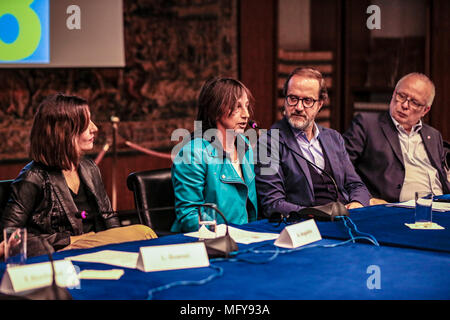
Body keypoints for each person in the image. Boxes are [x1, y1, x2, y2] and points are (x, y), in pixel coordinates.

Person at [1, 93, 157, 257]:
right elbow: (9, 236)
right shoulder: (33, 177)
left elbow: (109, 217)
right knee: (143, 231)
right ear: (64, 131)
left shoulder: (89, 167)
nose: (94, 128)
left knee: (142, 233)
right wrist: (71, 241)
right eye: (85, 122)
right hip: (61, 253)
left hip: (97, 247)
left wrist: (122, 250)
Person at [255, 67, 371, 218]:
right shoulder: (267, 143)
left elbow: (356, 185)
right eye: (292, 98)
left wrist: (357, 204)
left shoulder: (334, 138)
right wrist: (316, 214)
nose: (298, 107)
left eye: (307, 100)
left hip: (346, 219)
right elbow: (272, 204)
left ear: (320, 104)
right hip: (304, 227)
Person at [343, 73, 450, 203]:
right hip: (397, 208)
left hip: (441, 205)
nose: (405, 105)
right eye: (401, 96)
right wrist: (366, 198)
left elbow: (442, 176)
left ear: (425, 110)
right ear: (394, 93)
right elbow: (342, 169)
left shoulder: (433, 135)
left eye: (414, 102)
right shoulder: (367, 124)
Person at [171, 77, 258, 232]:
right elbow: (189, 216)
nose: (246, 114)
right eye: (237, 107)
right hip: (209, 243)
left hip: (247, 236)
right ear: (216, 110)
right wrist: (225, 234)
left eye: (246, 106)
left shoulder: (245, 145)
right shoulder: (192, 153)